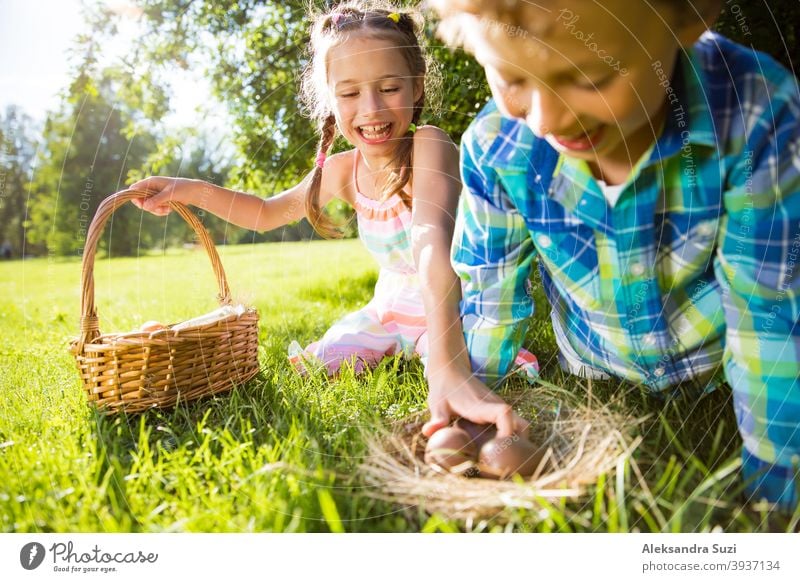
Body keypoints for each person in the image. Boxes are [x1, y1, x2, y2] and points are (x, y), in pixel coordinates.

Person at [427, 0, 800, 509]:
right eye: (511, 78)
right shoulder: (497, 146)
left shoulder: (754, 115)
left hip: (713, 363)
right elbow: (491, 295)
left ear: (692, 15)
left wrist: (780, 499)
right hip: (595, 366)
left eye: (591, 77)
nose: (545, 118)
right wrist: (474, 418)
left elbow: (771, 316)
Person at [130, 3, 538, 385]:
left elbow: (429, 238)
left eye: (389, 88)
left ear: (416, 88)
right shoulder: (344, 169)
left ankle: (444, 354)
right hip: (390, 311)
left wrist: (449, 363)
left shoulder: (430, 145)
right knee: (322, 360)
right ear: (330, 99)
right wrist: (186, 190)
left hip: (449, 303)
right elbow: (265, 213)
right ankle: (396, 346)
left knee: (476, 370)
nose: (372, 108)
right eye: (350, 94)